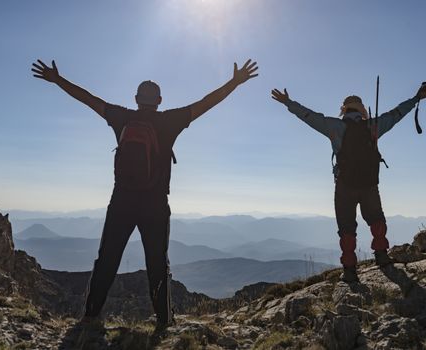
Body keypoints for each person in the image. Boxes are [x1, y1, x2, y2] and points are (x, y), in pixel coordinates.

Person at [31, 59, 258, 329]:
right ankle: (164, 322)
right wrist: (234, 82)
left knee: (107, 259)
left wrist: (58, 80)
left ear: (136, 99)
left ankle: (91, 316)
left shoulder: (122, 117)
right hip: (155, 205)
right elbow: (205, 103)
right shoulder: (169, 121)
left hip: (121, 202)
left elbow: (89, 99)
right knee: (157, 264)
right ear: (159, 100)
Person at [271, 82, 426, 282]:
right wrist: (416, 98)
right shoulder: (373, 126)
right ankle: (382, 256)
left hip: (345, 184)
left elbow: (309, 116)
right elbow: (397, 113)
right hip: (369, 183)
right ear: (362, 109)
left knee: (346, 227)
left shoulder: (334, 126)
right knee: (376, 219)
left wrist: (288, 102)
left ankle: (349, 269)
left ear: (344, 110)